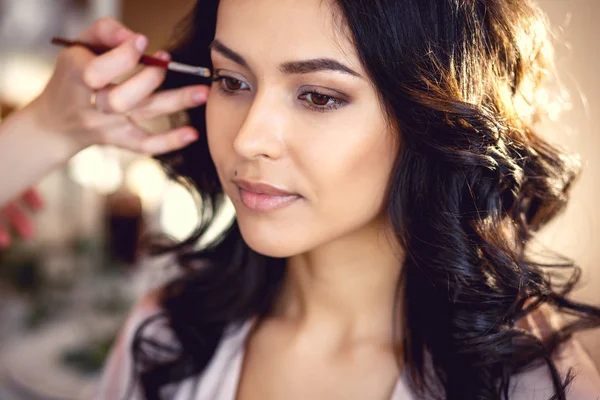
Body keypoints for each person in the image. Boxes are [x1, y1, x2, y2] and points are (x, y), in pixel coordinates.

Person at [2, 1, 600, 399]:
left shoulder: (534, 384)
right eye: (231, 82)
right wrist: (49, 128)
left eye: (317, 96)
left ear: (436, 118)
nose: (247, 138)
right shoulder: (169, 333)